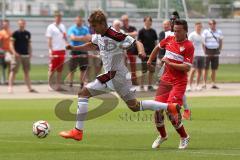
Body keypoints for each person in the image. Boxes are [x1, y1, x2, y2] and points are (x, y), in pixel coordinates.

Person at [59, 10, 181, 143]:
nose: (93, 29)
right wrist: (73, 47)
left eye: (94, 26)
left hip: (113, 75)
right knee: (134, 106)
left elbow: (137, 43)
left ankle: (78, 131)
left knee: (83, 93)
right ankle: (169, 107)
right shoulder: (99, 35)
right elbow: (92, 45)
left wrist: (141, 52)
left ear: (101, 24)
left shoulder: (115, 35)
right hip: (120, 76)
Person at [147, 19, 194, 149]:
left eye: (179, 31)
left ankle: (184, 137)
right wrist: (150, 61)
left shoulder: (189, 46)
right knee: (157, 110)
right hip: (165, 80)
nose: (176, 33)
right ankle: (162, 136)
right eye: (175, 31)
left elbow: (187, 67)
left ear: (185, 31)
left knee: (171, 110)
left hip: (179, 82)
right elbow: (157, 47)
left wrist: (169, 63)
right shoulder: (169, 39)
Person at [8, 19, 36, 93]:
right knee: (13, 71)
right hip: (17, 56)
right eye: (20, 23)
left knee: (26, 72)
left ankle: (29, 88)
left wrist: (30, 53)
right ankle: (10, 87)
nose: (21, 25)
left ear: (25, 24)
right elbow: (11, 44)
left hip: (26, 55)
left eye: (23, 23)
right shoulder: (15, 33)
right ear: (18, 24)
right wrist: (14, 53)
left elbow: (29, 45)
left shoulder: (28, 33)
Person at [67, 16, 91, 88]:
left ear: (82, 21)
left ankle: (81, 83)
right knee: (72, 68)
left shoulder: (85, 29)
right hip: (74, 50)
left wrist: (78, 38)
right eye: (77, 21)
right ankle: (70, 83)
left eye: (80, 21)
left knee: (83, 69)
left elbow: (88, 38)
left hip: (83, 50)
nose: (78, 22)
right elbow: (72, 38)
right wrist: (82, 38)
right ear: (75, 21)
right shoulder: (72, 29)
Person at [46, 11, 67, 91]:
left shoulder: (63, 26)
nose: (58, 18)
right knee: (52, 69)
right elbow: (49, 40)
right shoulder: (50, 27)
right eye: (57, 16)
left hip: (62, 50)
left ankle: (58, 85)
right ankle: (50, 85)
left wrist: (66, 46)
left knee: (60, 69)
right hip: (55, 50)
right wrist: (50, 50)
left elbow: (64, 38)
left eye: (60, 17)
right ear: (55, 17)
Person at [138, 16, 158, 91]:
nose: (148, 23)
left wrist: (156, 52)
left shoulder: (153, 31)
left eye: (150, 21)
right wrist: (141, 52)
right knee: (144, 70)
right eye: (147, 21)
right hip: (144, 54)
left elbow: (156, 43)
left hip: (152, 54)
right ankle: (142, 85)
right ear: (144, 22)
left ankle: (149, 85)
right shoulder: (141, 31)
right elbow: (139, 42)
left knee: (151, 70)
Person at [202, 19, 223, 89]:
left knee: (214, 68)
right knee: (205, 68)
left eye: (214, 24)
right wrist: (204, 51)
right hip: (208, 51)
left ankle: (213, 83)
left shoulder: (219, 32)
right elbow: (203, 42)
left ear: (215, 24)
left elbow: (221, 41)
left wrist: (219, 49)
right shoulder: (206, 32)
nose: (212, 25)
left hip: (215, 50)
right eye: (211, 24)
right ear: (209, 25)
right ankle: (204, 83)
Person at [121, 15, 139, 85]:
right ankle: (124, 81)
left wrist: (126, 34)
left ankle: (134, 80)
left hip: (132, 49)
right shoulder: (121, 28)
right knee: (123, 66)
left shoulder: (132, 27)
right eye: (123, 20)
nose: (124, 22)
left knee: (133, 65)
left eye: (125, 20)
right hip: (124, 50)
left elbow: (135, 34)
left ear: (128, 21)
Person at [187, 22, 205, 91]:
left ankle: (197, 85)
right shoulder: (192, 35)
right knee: (193, 70)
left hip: (201, 55)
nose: (199, 28)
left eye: (200, 27)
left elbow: (203, 45)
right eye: (198, 26)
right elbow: (188, 45)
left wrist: (204, 53)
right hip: (194, 55)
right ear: (195, 27)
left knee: (199, 71)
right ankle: (189, 85)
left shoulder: (202, 36)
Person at [0, 19, 12, 84]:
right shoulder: (1, 32)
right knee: (4, 65)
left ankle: (8, 80)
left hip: (9, 51)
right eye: (4, 24)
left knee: (10, 65)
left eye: (7, 24)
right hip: (3, 51)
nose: (5, 25)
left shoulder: (10, 32)